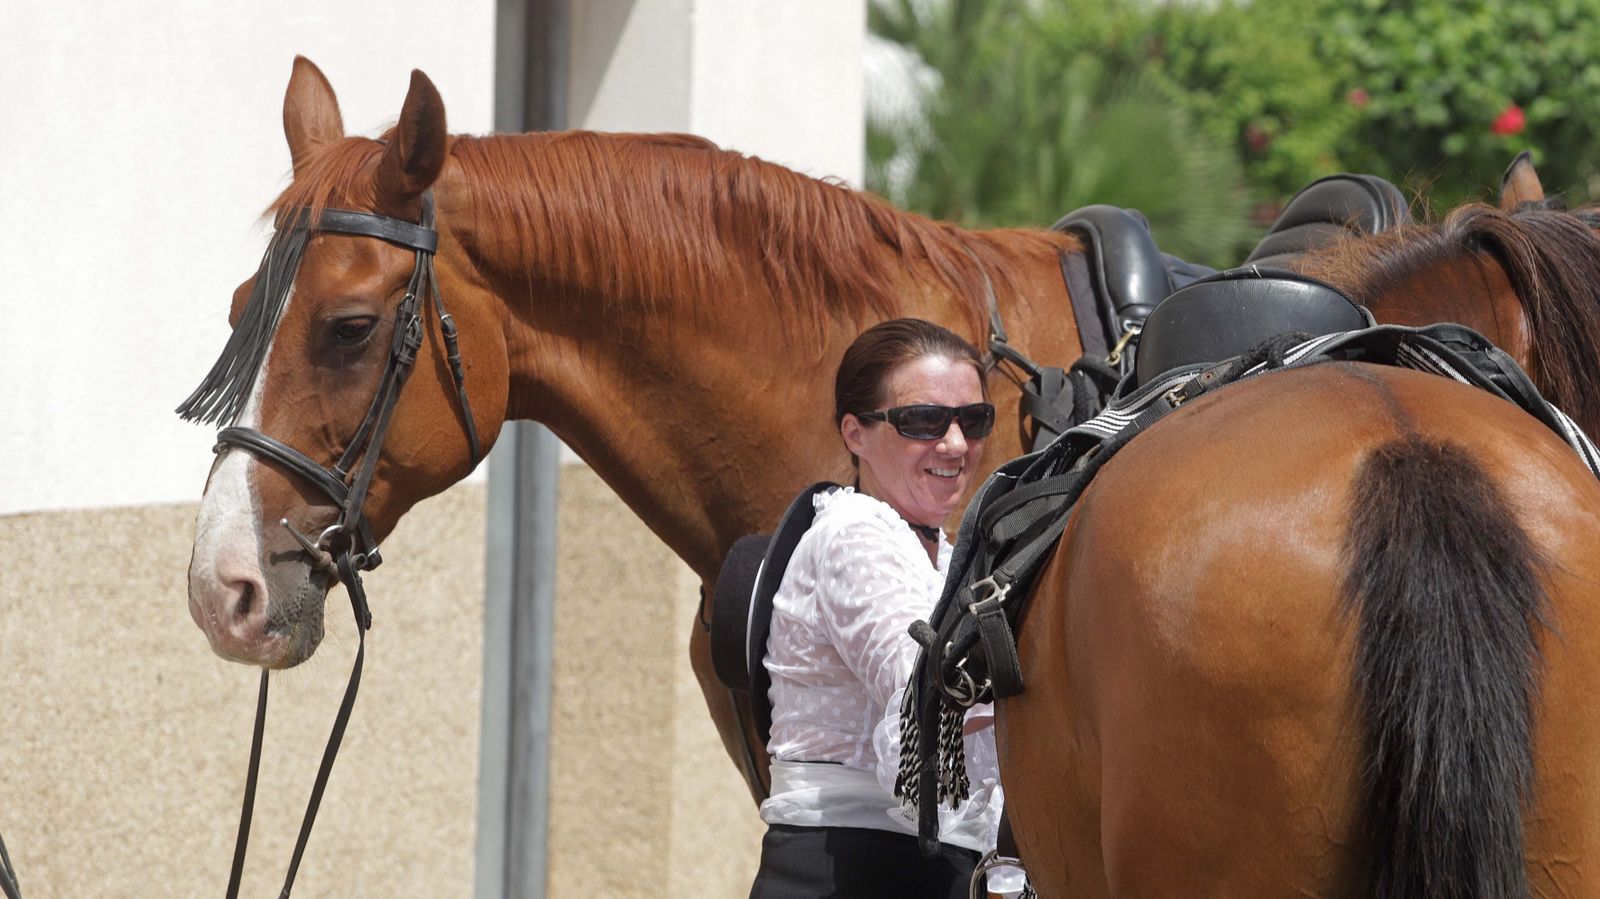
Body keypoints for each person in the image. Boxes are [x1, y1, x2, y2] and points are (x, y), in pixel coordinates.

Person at [749, 318, 1017, 898]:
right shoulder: (855, 532)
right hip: (851, 868)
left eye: (973, 421)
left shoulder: (947, 557)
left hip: (922, 866)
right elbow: (930, 691)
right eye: (922, 420)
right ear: (855, 433)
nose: (953, 444)